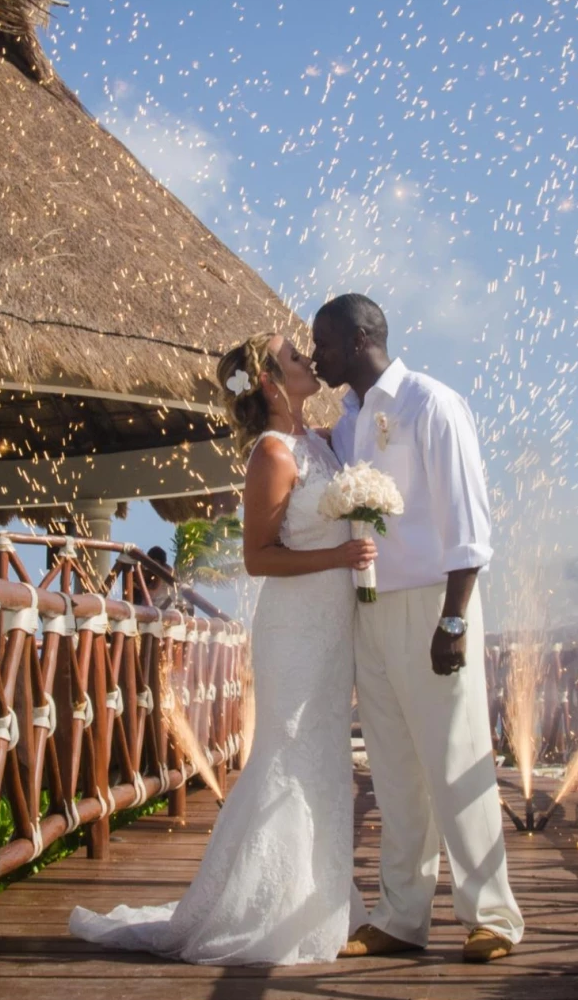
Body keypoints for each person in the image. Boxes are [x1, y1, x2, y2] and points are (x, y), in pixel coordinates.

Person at [69, 332, 376, 965]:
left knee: (319, 753)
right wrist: (341, 554)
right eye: (295, 357)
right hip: (294, 627)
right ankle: (267, 908)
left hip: (331, 626)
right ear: (269, 381)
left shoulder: (317, 440)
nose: (309, 361)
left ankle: (320, 899)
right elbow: (259, 557)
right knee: (287, 754)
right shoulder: (271, 453)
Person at [313, 292, 524, 964]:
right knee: (395, 769)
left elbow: (469, 522)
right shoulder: (349, 420)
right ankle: (402, 916)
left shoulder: (433, 404)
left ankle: (491, 915)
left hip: (436, 604)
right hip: (371, 611)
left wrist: (456, 617)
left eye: (322, 343)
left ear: (356, 340)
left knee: (455, 759)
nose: (315, 354)